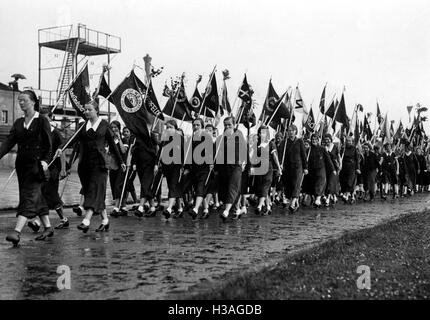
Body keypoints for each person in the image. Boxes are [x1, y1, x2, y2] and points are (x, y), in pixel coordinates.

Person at [59, 101, 126, 233]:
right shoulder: (82, 126)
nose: (86, 112)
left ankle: (86, 220)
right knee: (92, 192)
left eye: (89, 109)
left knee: (93, 192)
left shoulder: (104, 125)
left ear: (96, 110)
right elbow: (73, 139)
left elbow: (113, 145)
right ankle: (105, 221)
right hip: (84, 165)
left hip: (99, 165)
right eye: (85, 110)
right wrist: (62, 148)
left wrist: (121, 162)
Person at [0, 90, 53, 245]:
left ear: (33, 102)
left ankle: (16, 232)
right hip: (22, 166)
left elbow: (48, 144)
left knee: (28, 197)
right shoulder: (18, 123)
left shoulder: (42, 120)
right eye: (19, 101)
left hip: (37, 166)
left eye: (24, 100)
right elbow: (8, 143)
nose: (21, 103)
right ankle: (48, 227)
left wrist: (45, 160)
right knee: (35, 197)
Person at [217, 116, 247, 221]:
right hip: (225, 166)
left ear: (234, 125)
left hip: (237, 165)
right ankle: (236, 209)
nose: (227, 126)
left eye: (229, 124)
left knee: (232, 186)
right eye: (225, 125)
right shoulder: (222, 137)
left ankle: (226, 211)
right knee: (230, 188)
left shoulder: (238, 134)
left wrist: (243, 161)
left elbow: (244, 149)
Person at [252, 125, 282, 215]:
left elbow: (275, 157)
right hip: (258, 167)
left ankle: (260, 206)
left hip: (267, 167)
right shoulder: (256, 144)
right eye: (261, 132)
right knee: (262, 187)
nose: (262, 134)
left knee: (265, 185)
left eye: (264, 133)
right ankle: (268, 207)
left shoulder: (270, 144)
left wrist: (279, 168)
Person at [159, 119, 184, 219]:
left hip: (177, 166)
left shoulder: (179, 138)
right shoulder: (165, 139)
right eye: (167, 127)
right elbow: (161, 151)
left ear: (175, 128)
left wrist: (184, 165)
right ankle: (180, 208)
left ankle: (169, 208)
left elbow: (184, 152)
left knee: (174, 185)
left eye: (171, 127)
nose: (168, 129)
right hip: (167, 166)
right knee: (172, 187)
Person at [281, 124, 308, 213]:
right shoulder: (285, 142)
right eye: (289, 131)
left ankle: (292, 203)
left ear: (295, 131)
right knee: (290, 185)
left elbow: (304, 155)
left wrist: (305, 167)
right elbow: (282, 155)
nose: (290, 132)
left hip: (298, 166)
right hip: (288, 167)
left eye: (292, 130)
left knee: (297, 184)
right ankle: (296, 203)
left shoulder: (299, 141)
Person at [308, 134, 335, 207]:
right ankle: (319, 198)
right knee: (313, 184)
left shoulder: (322, 149)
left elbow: (328, 159)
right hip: (312, 170)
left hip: (321, 169)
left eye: (316, 140)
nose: (314, 141)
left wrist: (333, 169)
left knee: (320, 183)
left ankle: (318, 199)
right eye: (313, 139)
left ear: (318, 140)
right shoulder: (309, 149)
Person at [108, 121, 128, 217]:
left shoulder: (124, 139)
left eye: (115, 127)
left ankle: (116, 208)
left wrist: (119, 138)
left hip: (122, 166)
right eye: (112, 127)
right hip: (113, 166)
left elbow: (123, 151)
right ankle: (123, 207)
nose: (113, 129)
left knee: (118, 186)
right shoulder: (110, 139)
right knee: (113, 185)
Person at [339, 135, 361, 204]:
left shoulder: (354, 149)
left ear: (352, 142)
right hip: (344, 167)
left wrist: (357, 168)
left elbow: (357, 159)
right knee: (344, 181)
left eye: (349, 141)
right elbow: (340, 157)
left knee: (350, 181)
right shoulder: (343, 148)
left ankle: (347, 195)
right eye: (347, 141)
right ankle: (349, 195)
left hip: (352, 167)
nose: (348, 142)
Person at [324, 134, 340, 206]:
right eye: (326, 139)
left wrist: (340, 164)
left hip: (334, 166)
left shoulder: (335, 147)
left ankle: (328, 197)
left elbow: (338, 156)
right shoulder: (323, 147)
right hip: (326, 166)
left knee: (332, 181)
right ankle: (333, 196)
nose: (327, 141)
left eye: (328, 139)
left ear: (331, 139)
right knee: (327, 182)